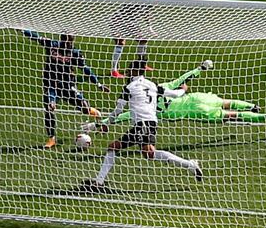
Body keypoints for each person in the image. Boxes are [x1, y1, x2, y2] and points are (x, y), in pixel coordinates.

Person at [85, 59, 202, 191]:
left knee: (115, 147)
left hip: (142, 123)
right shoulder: (152, 84)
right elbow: (174, 94)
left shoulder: (129, 87)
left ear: (134, 71)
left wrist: (107, 123)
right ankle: (190, 165)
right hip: (151, 122)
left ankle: (98, 182)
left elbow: (118, 110)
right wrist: (183, 90)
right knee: (148, 153)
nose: (127, 72)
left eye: (129, 70)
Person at [83, 60, 266, 130]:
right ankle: (252, 106)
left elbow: (119, 117)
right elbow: (183, 78)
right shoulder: (159, 86)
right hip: (194, 98)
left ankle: (265, 117)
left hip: (194, 111)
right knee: (226, 103)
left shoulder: (148, 110)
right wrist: (200, 68)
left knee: (230, 116)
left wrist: (97, 124)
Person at [20, 30, 110, 149]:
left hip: (67, 85)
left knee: (84, 107)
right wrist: (22, 30)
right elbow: (36, 37)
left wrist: (98, 84)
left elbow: (86, 69)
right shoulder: (53, 45)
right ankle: (51, 139)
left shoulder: (75, 53)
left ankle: (95, 113)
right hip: (51, 85)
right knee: (49, 107)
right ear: (62, 41)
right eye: (68, 42)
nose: (70, 44)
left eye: (71, 42)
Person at [110, 0, 154, 78]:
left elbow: (147, 14)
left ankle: (142, 64)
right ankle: (114, 71)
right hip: (117, 23)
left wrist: (150, 28)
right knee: (120, 43)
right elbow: (121, 17)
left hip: (130, 24)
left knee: (143, 40)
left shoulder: (148, 3)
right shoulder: (133, 3)